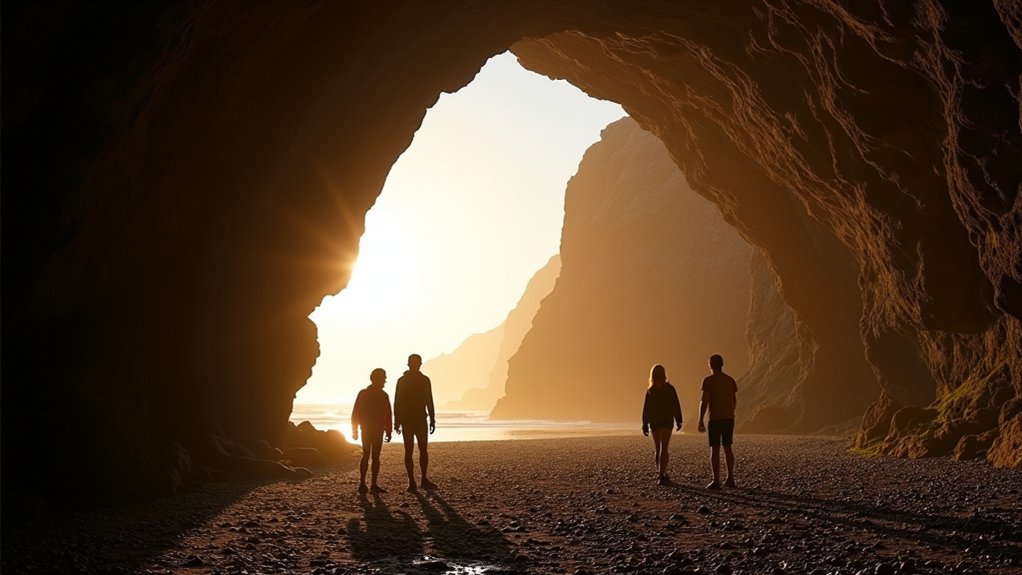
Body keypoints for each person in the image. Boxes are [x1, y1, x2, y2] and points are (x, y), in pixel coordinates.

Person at [394, 353, 436, 492]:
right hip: (412, 419)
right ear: (410, 364)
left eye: (417, 363)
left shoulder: (420, 380)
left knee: (419, 450)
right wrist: (397, 421)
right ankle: (413, 480)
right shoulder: (411, 380)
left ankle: (420, 479)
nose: (416, 365)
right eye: (415, 363)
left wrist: (432, 418)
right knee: (412, 450)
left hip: (415, 419)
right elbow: (398, 402)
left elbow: (429, 400)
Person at [697, 354, 738, 489]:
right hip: (729, 417)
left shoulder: (708, 380)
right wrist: (730, 412)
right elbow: (734, 400)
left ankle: (716, 480)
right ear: (722, 364)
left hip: (715, 418)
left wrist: (701, 419)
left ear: (710, 365)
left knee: (714, 449)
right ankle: (730, 478)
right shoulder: (730, 380)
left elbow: (704, 401)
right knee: (728, 447)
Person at [352, 368, 393, 494]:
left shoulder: (380, 395)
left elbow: (387, 414)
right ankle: (365, 483)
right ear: (376, 379)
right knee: (370, 455)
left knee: (372, 456)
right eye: (383, 378)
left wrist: (389, 430)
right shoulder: (369, 394)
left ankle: (369, 484)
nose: (385, 380)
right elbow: (356, 412)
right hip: (371, 429)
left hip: (373, 429)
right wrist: (354, 430)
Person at [641, 363, 683, 486]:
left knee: (657, 448)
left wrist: (645, 423)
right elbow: (676, 404)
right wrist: (679, 419)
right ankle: (662, 473)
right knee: (664, 448)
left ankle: (659, 473)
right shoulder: (670, 389)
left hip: (655, 421)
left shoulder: (650, 391)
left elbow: (646, 409)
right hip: (667, 421)